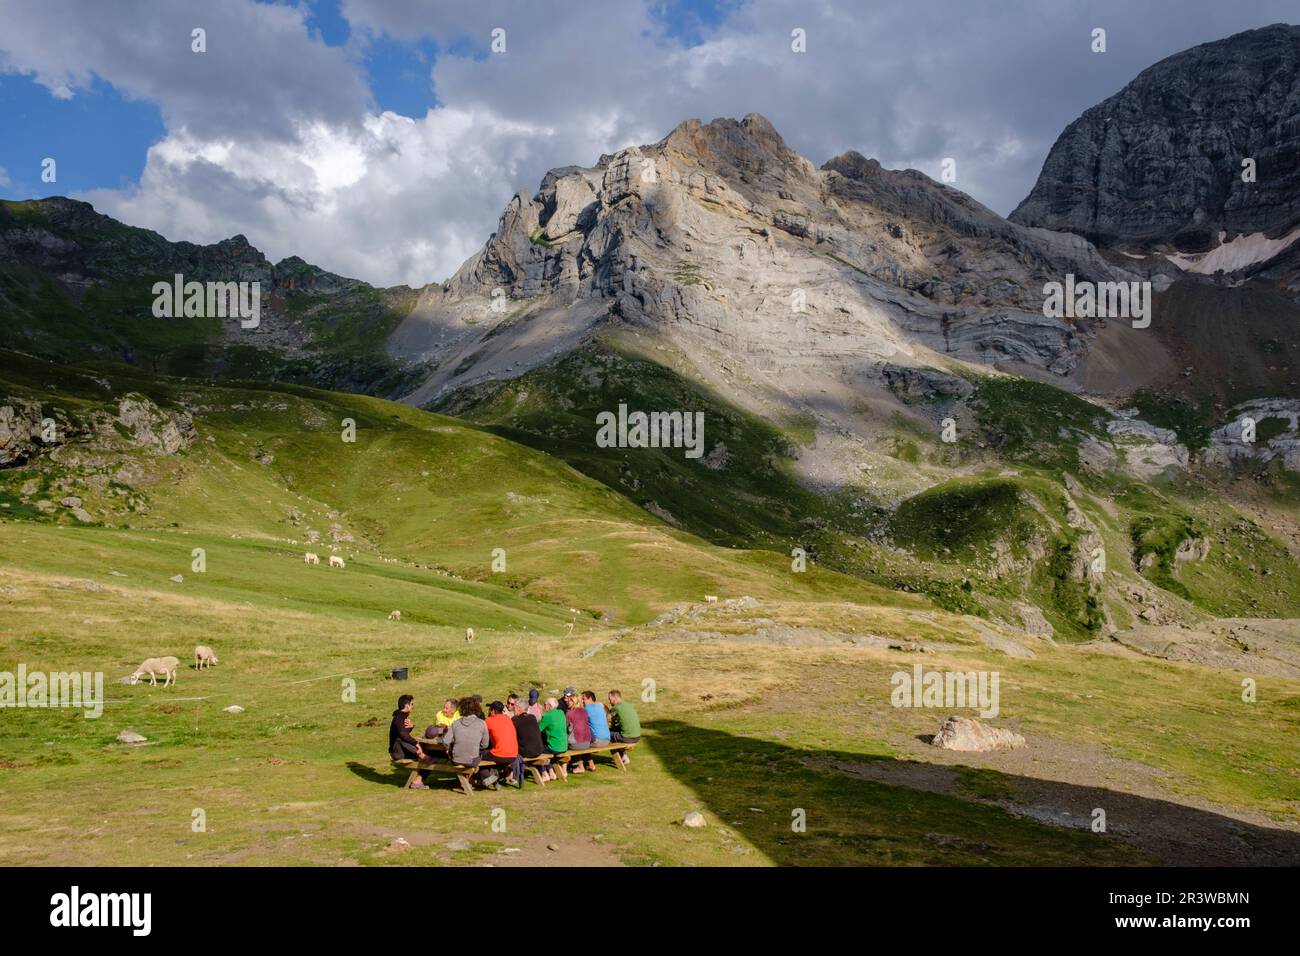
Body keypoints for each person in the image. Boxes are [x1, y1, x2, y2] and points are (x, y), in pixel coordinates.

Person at [389, 694, 429, 789]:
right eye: (412, 704)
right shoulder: (399, 718)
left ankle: (417, 781)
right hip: (398, 752)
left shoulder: (402, 716)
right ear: (407, 706)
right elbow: (402, 735)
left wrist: (411, 727)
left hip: (401, 749)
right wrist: (416, 744)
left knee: (429, 756)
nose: (413, 706)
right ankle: (421, 757)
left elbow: (403, 733)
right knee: (428, 759)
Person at [442, 696, 489, 775]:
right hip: (473, 761)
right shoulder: (482, 723)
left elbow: (446, 741)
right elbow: (485, 745)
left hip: (456, 760)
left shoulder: (455, 723)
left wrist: (451, 747)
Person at [484, 700, 521, 785]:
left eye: (489, 709)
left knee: (481, 754)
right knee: (496, 753)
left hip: (500, 754)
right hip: (513, 754)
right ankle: (499, 774)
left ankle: (489, 776)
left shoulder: (488, 720)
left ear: (492, 711)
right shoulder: (508, 718)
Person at [511, 698, 546, 779]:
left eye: (514, 707)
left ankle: (511, 775)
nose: (513, 709)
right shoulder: (532, 717)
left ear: (519, 708)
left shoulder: (515, 720)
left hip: (527, 752)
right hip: (539, 750)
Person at [537, 697, 567, 781]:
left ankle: (546, 772)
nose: (543, 706)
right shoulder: (561, 712)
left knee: (537, 751)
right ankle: (551, 772)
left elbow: (537, 730)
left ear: (549, 706)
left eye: (545, 704)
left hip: (554, 747)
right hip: (564, 746)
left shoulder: (547, 716)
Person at [564, 690, 595, 773]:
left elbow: (564, 727)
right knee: (578, 740)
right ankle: (591, 763)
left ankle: (579, 766)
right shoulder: (584, 711)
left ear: (574, 702)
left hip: (577, 744)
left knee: (569, 742)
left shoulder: (569, 713)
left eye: (570, 700)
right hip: (587, 742)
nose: (568, 702)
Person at [607, 689, 640, 766]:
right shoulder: (629, 705)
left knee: (606, 734)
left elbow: (607, 719)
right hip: (637, 736)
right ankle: (623, 756)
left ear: (614, 698)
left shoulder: (616, 707)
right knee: (614, 731)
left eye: (610, 699)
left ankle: (623, 757)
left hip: (627, 737)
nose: (609, 701)